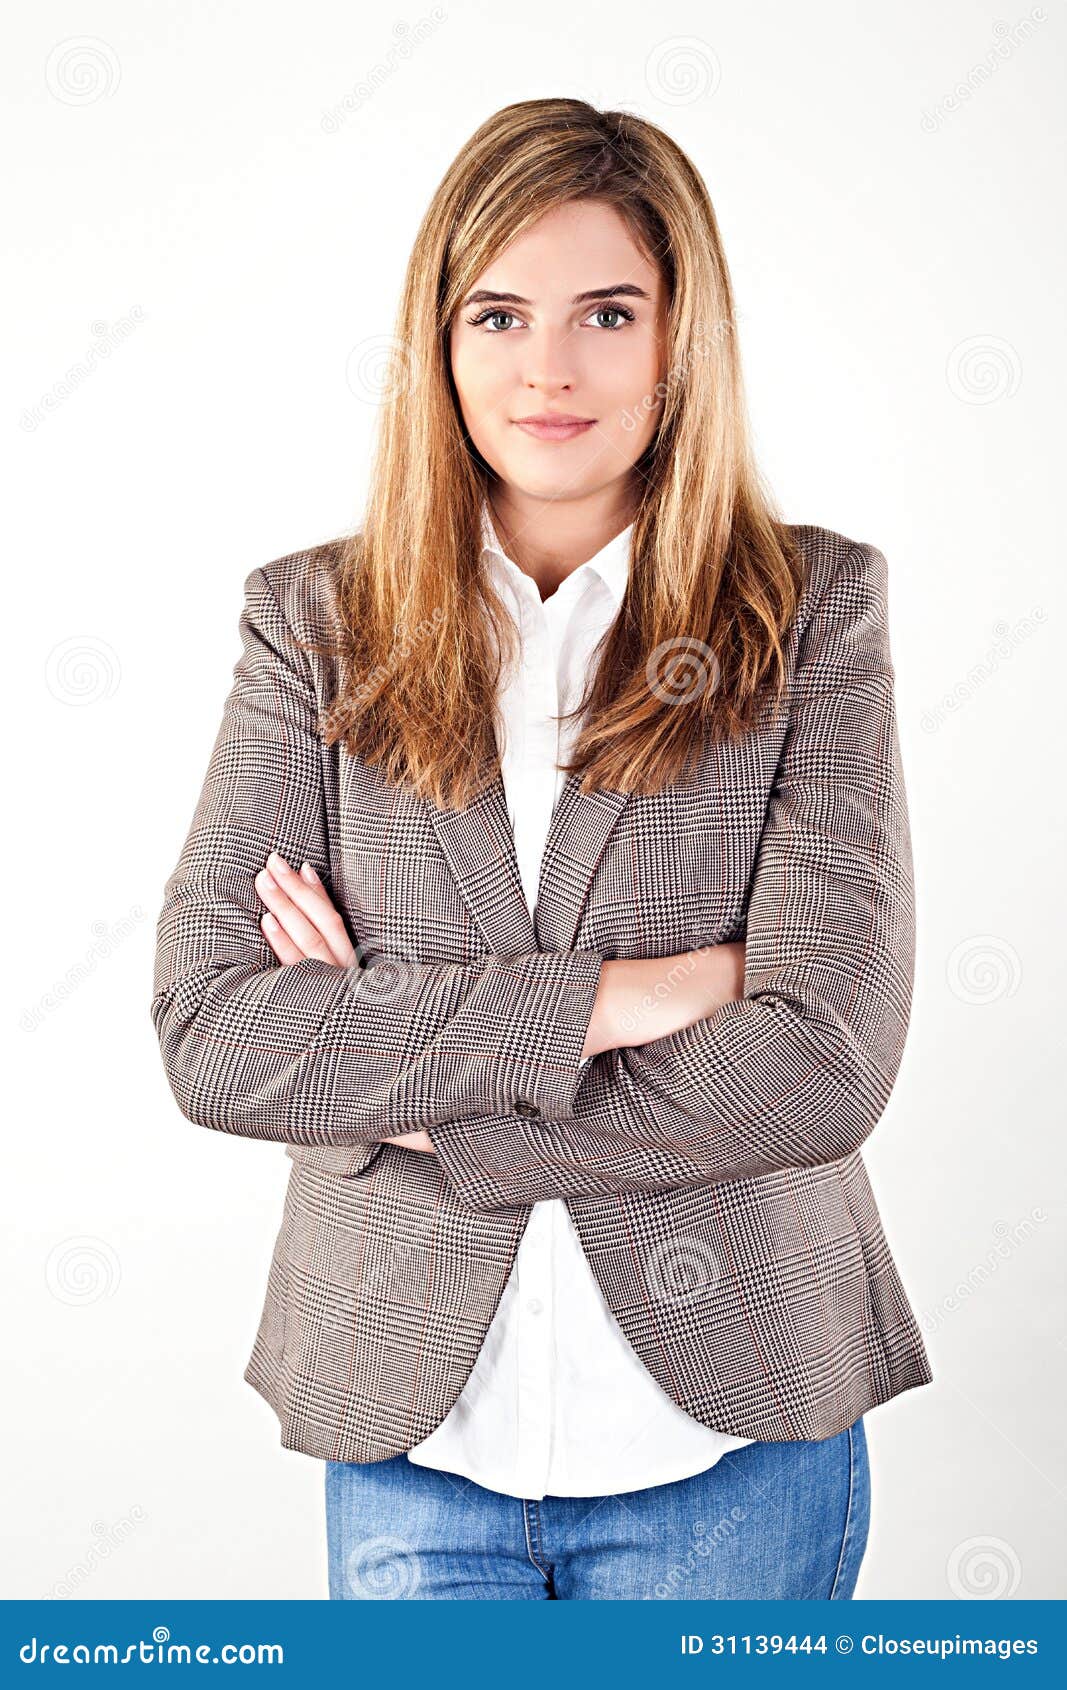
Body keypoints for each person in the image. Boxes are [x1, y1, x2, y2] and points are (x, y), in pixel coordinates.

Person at [150, 98, 932, 1601]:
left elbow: (824, 1061)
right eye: (499, 312)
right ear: (437, 345)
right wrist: (617, 998)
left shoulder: (811, 612)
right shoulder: (313, 623)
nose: (549, 367)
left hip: (735, 1439)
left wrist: (412, 1088)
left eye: (608, 313)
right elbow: (214, 1033)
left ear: (677, 339)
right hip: (411, 1432)